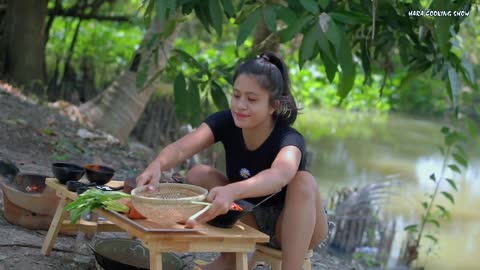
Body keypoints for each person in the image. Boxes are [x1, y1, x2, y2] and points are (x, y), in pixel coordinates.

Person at [136, 51, 329, 270]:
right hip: (252, 217)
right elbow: (181, 148)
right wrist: (157, 165)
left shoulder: (289, 139)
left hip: (296, 226)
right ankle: (229, 260)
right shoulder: (225, 122)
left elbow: (279, 176)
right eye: (236, 95)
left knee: (303, 181)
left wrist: (233, 190)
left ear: (274, 105)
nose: (240, 105)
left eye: (252, 99)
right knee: (199, 173)